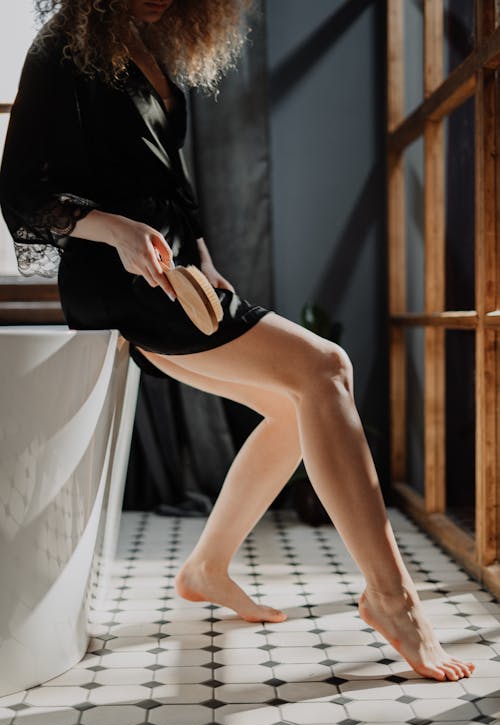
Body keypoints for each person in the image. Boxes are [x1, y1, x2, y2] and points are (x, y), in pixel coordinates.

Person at [0, 0, 475, 682]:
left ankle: (207, 568)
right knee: (325, 369)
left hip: (179, 276)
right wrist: (119, 232)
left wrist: (205, 257)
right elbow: (22, 193)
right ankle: (394, 601)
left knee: (295, 409)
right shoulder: (63, 45)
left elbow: (171, 183)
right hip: (117, 277)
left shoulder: (154, 45)